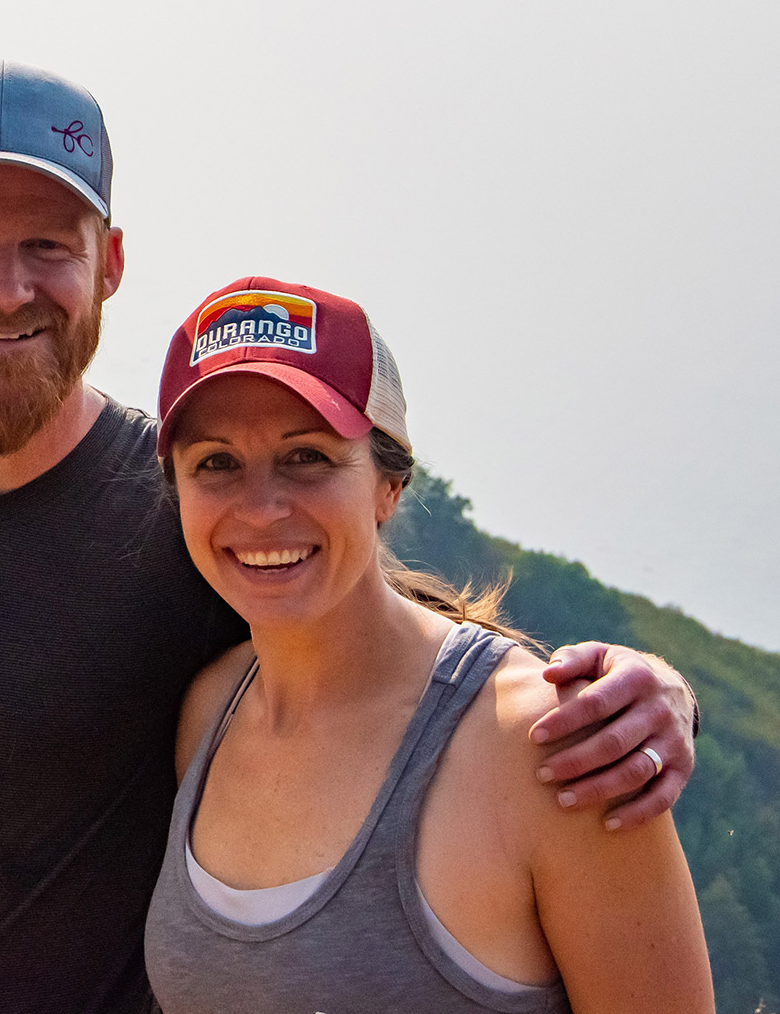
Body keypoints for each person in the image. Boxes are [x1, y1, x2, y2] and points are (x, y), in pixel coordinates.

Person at [0, 61, 700, 1014]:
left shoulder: (196, 512)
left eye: (48, 246)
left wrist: (650, 688)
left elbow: (393, 646)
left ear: (107, 263)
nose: (7, 286)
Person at [145, 275, 714, 1013]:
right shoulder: (209, 712)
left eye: (308, 457)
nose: (261, 507)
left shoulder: (548, 744)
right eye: (216, 462)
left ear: (391, 484)